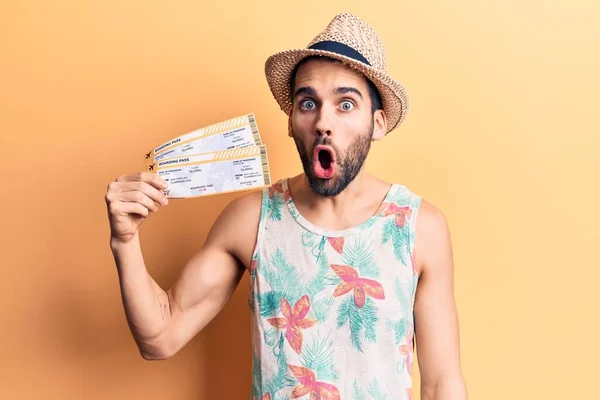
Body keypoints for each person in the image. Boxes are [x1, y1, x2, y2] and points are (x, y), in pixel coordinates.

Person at [105, 13, 467, 400]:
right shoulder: (250, 221)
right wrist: (124, 241)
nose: (323, 121)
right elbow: (160, 338)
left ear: (377, 124)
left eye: (346, 104)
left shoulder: (418, 228)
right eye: (308, 102)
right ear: (291, 122)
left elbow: (441, 383)